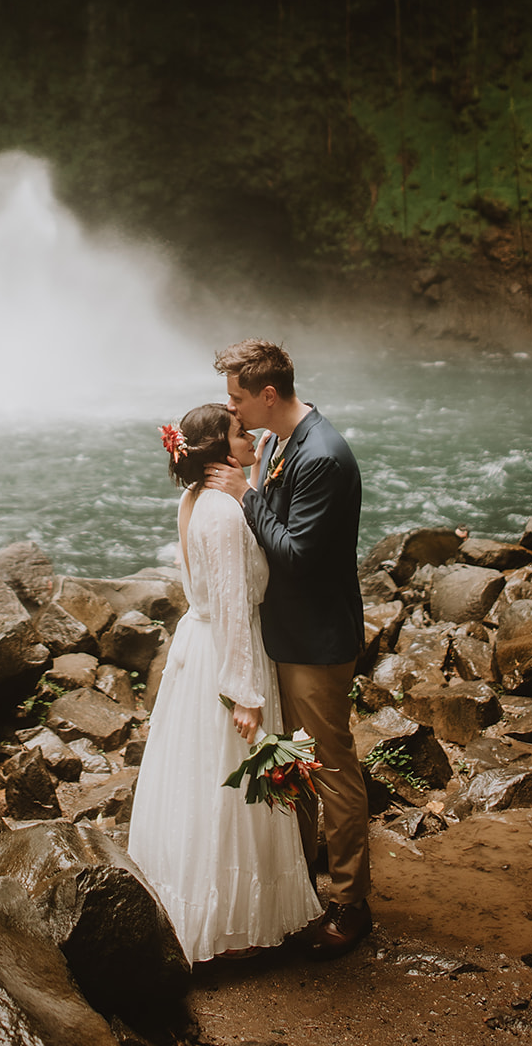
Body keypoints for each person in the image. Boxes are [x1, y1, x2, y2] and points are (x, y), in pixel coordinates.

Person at [128, 403, 321, 964]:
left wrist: (252, 479)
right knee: (230, 788)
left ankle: (195, 905)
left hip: (197, 644)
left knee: (196, 778)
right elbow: (236, 605)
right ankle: (233, 926)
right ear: (218, 452)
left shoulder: (194, 500)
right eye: (241, 432)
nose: (252, 434)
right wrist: (246, 695)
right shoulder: (223, 513)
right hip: (227, 652)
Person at [205, 339, 372, 958]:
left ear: (267, 396)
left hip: (318, 641)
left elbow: (299, 555)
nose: (232, 409)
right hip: (288, 635)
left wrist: (243, 498)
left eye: (237, 397)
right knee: (294, 765)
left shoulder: (323, 456)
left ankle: (353, 904)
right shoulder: (277, 444)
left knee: (331, 767)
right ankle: (303, 882)